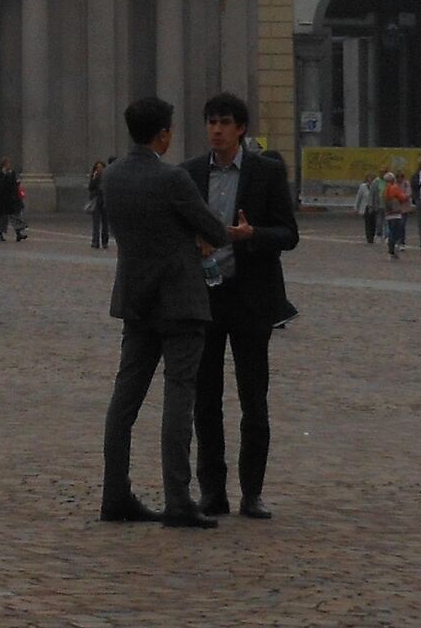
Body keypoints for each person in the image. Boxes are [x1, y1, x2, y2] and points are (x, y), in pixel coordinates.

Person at [99, 96, 230, 528]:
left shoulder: (112, 176)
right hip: (179, 301)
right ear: (164, 134)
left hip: (136, 301)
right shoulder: (172, 178)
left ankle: (114, 493)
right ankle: (178, 498)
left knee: (125, 400)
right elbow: (213, 230)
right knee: (179, 396)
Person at [183, 91, 298, 521]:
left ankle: (253, 492)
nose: (216, 129)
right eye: (211, 121)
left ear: (241, 129)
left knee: (254, 399)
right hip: (205, 297)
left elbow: (289, 233)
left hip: (250, 298)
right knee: (205, 400)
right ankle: (213, 490)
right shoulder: (190, 174)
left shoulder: (266, 174)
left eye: (225, 122)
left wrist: (253, 236)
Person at [0, 157, 27, 241]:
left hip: (11, 198)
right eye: (7, 163)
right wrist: (5, 176)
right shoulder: (0, 173)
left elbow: (13, 184)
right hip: (2, 199)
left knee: (14, 216)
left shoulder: (12, 173)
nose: (9, 165)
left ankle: (18, 233)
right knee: (2, 218)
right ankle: (0, 234)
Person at [382, 171, 410, 257]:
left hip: (388, 212)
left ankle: (391, 248)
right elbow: (402, 197)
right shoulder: (394, 187)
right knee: (396, 231)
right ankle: (393, 249)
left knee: (391, 230)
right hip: (396, 212)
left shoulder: (385, 189)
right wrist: (406, 196)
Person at [86, 160, 110, 249]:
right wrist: (94, 178)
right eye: (97, 167)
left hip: (105, 201)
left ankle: (105, 242)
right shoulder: (94, 176)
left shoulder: (107, 177)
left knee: (105, 223)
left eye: (101, 167)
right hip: (96, 201)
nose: (99, 169)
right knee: (96, 223)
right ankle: (95, 241)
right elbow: (90, 187)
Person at [352, 170, 379, 246]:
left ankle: (373, 236)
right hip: (366, 207)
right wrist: (356, 208)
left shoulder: (376, 186)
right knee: (368, 223)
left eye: (373, 178)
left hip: (374, 207)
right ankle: (369, 238)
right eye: (370, 178)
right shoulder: (363, 186)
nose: (371, 180)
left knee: (374, 223)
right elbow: (359, 197)